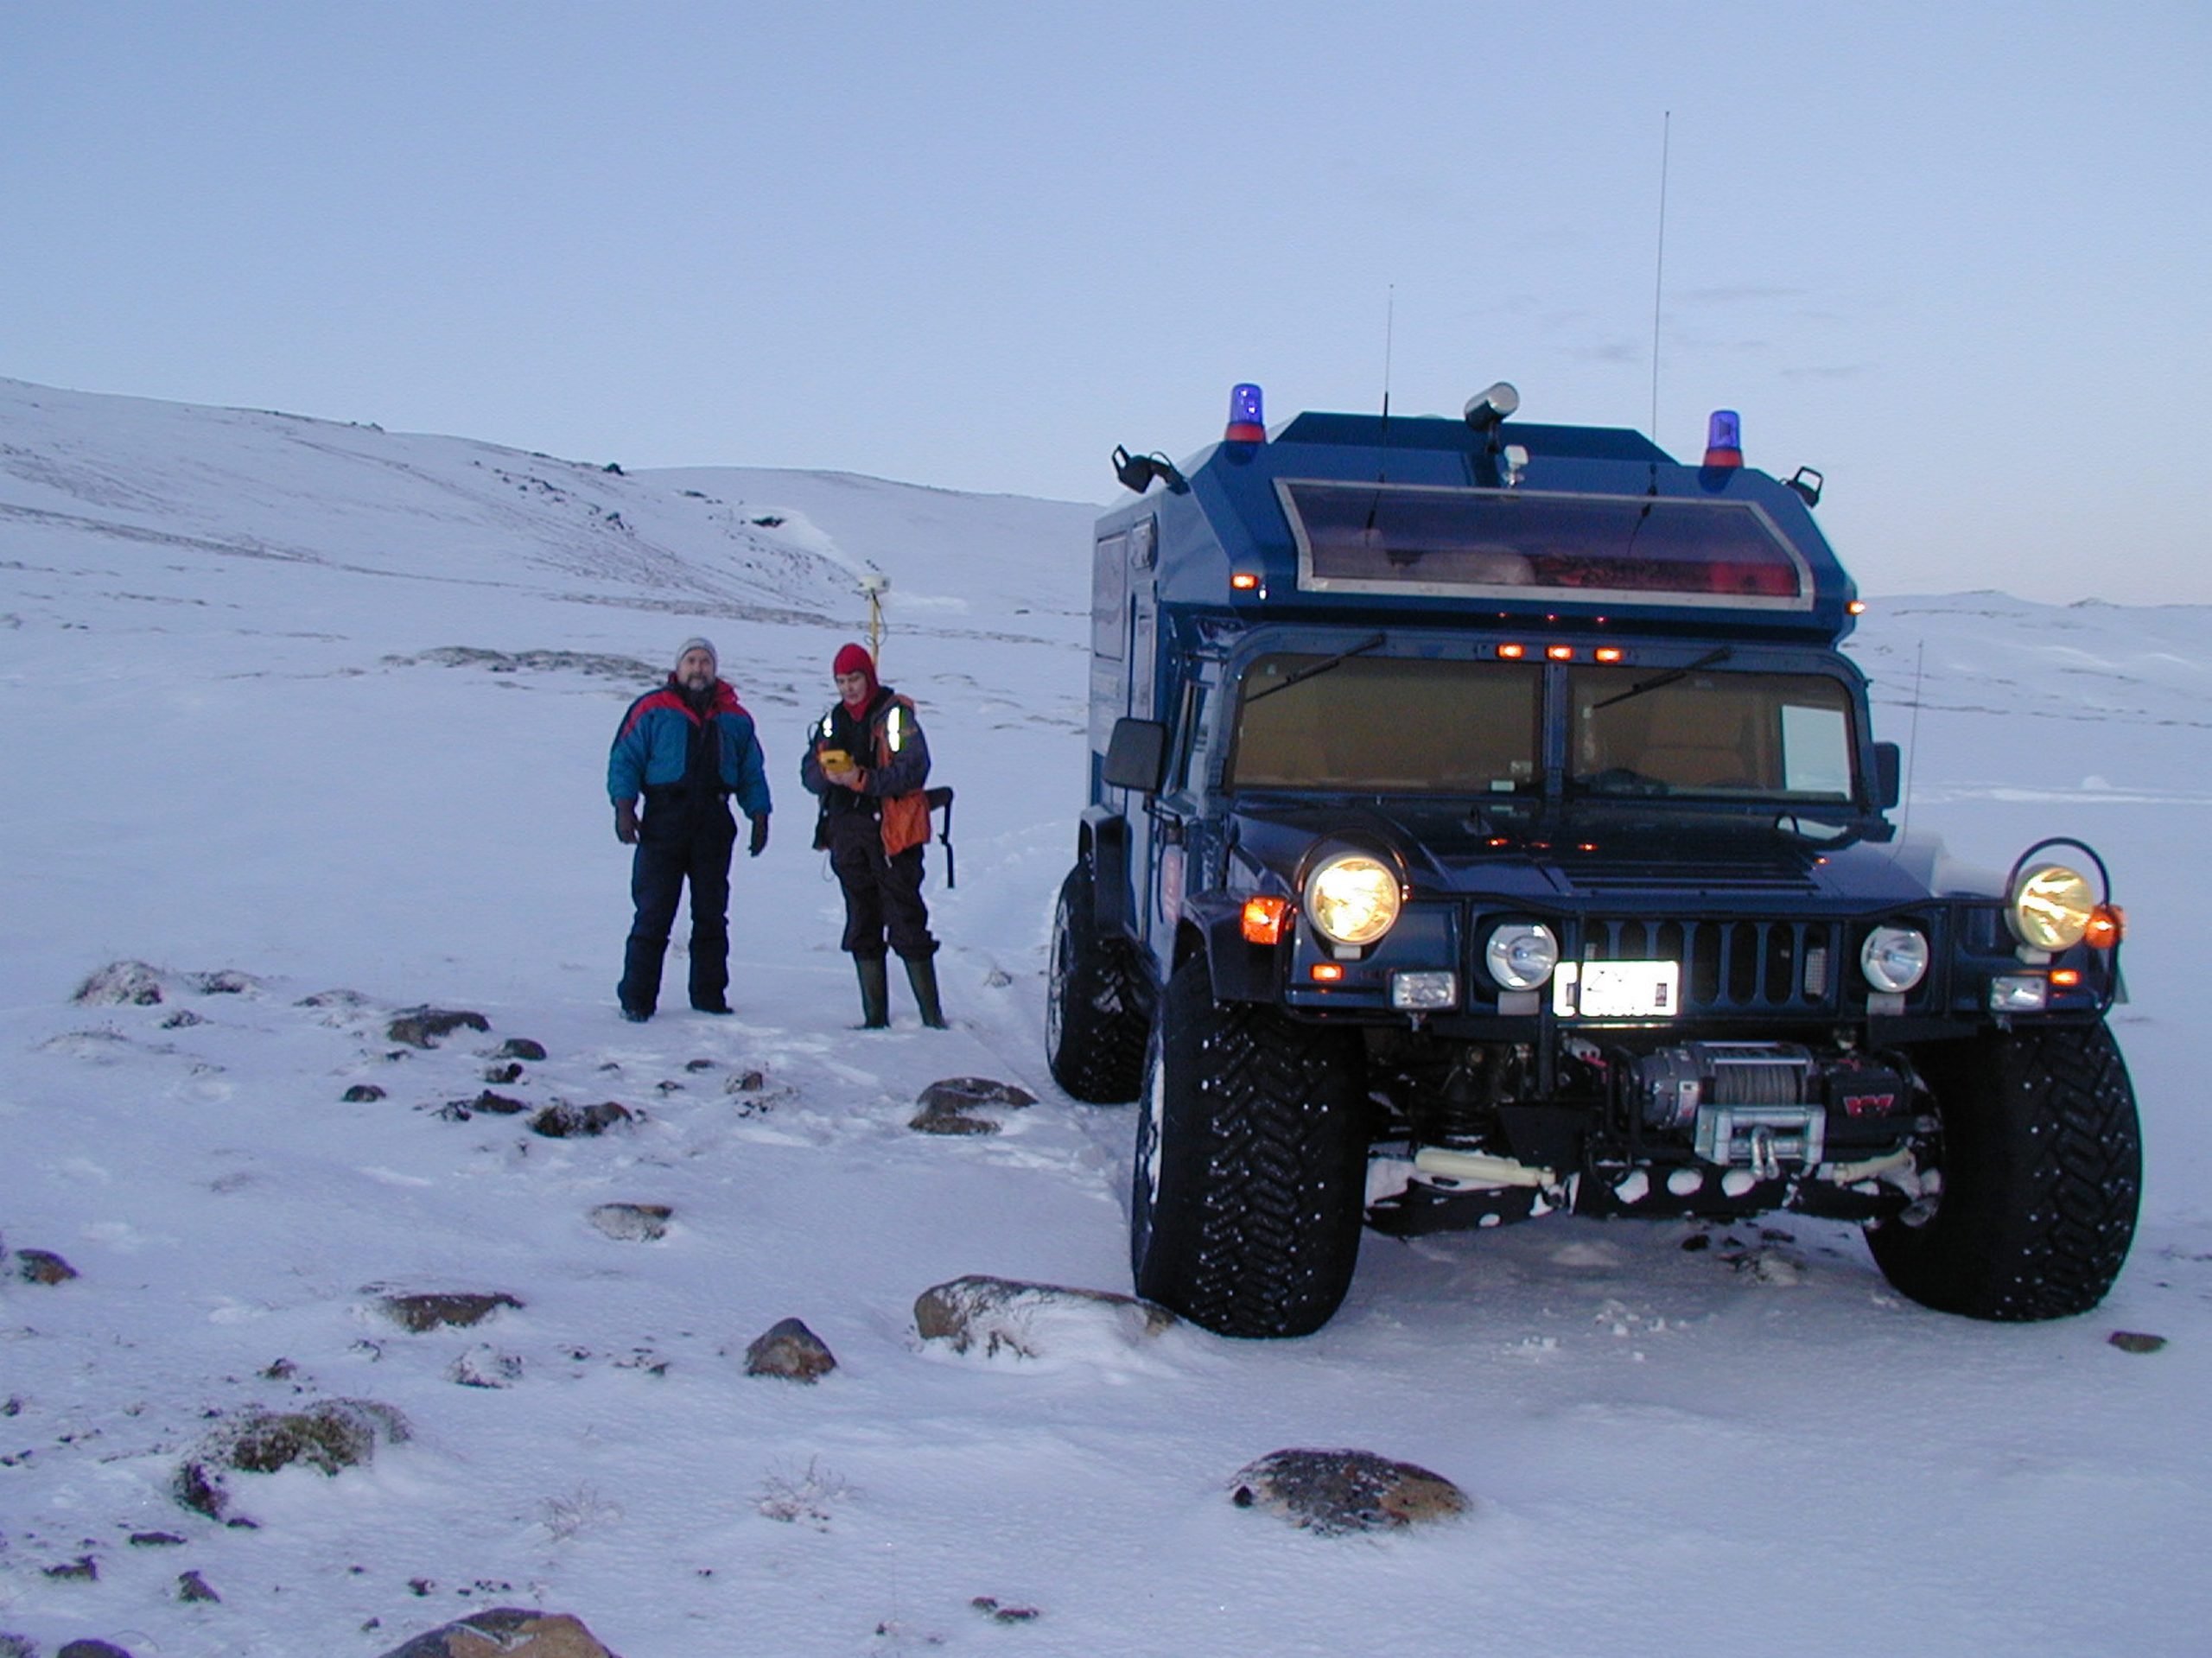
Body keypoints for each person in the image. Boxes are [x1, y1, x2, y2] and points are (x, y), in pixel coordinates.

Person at [607, 638, 770, 1020]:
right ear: (678, 668)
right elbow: (625, 759)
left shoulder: (735, 718)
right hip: (664, 819)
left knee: (711, 914)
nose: (699, 668)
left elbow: (751, 770)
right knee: (653, 912)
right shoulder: (652, 709)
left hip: (714, 820)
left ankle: (709, 997)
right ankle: (637, 1000)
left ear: (715, 668)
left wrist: (759, 814)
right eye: (692, 661)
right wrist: (624, 807)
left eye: (705, 661)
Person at [800, 643, 946, 1029]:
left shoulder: (895, 717)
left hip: (892, 837)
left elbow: (913, 769)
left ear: (869, 677)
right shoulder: (831, 722)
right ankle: (874, 1019)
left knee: (906, 920)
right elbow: (808, 774)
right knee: (862, 922)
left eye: (854, 679)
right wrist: (827, 774)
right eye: (841, 681)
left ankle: (932, 1020)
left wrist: (862, 780)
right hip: (847, 835)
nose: (848, 688)